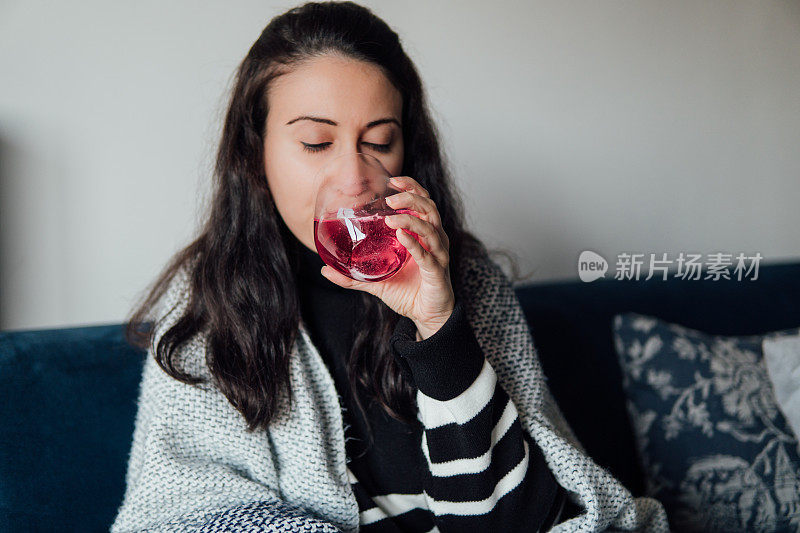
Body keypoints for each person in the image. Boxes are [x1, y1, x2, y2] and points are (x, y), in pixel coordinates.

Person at [111, 2, 669, 532]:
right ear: (254, 154)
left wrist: (439, 327)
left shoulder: (468, 281)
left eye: (379, 142)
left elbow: (517, 524)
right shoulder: (208, 301)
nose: (353, 178)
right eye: (315, 142)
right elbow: (184, 513)